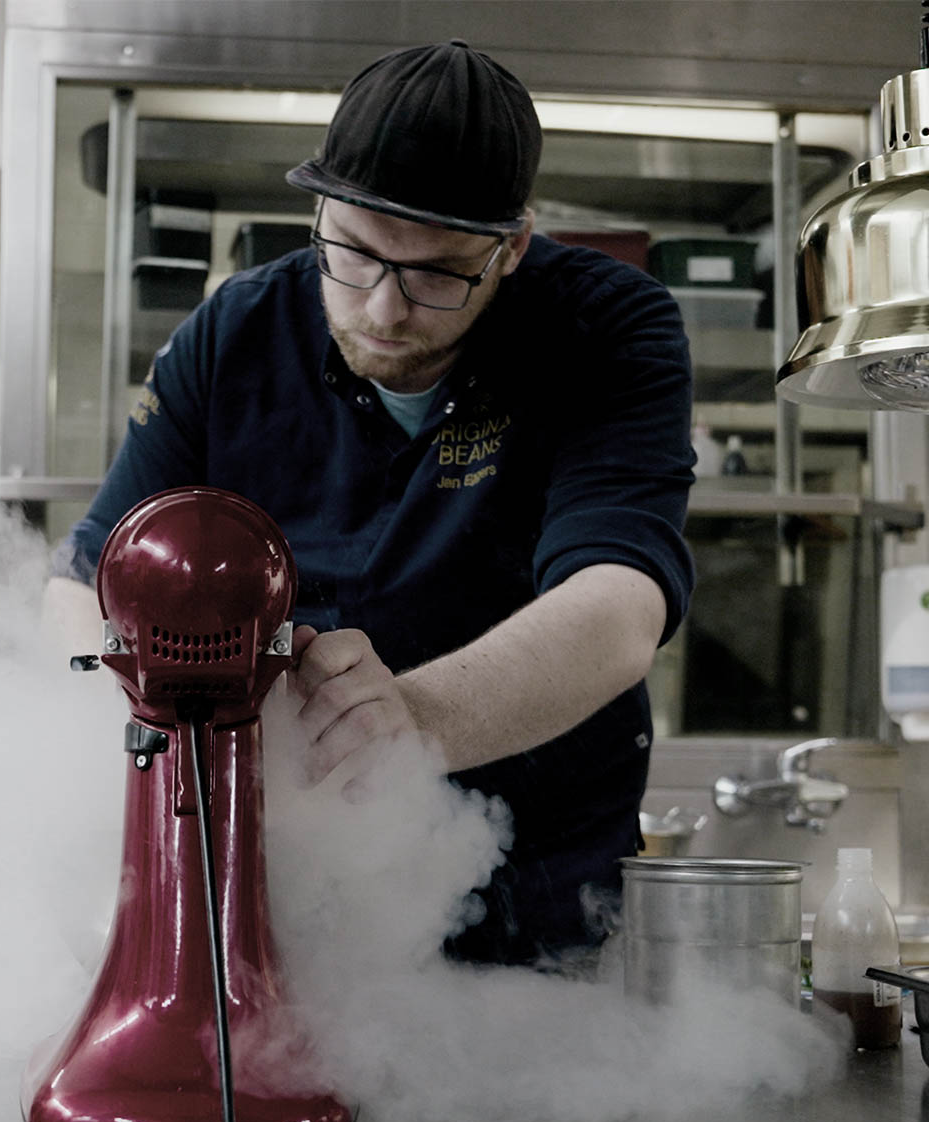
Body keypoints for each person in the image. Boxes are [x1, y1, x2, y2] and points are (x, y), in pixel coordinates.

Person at [44, 39, 696, 967]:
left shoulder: (609, 328)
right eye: (351, 255)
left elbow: (620, 604)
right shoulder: (235, 334)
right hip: (290, 892)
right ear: (317, 211)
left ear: (512, 246)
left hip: (543, 901)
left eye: (436, 274)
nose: (384, 311)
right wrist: (140, 719)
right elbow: (86, 581)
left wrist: (412, 722)